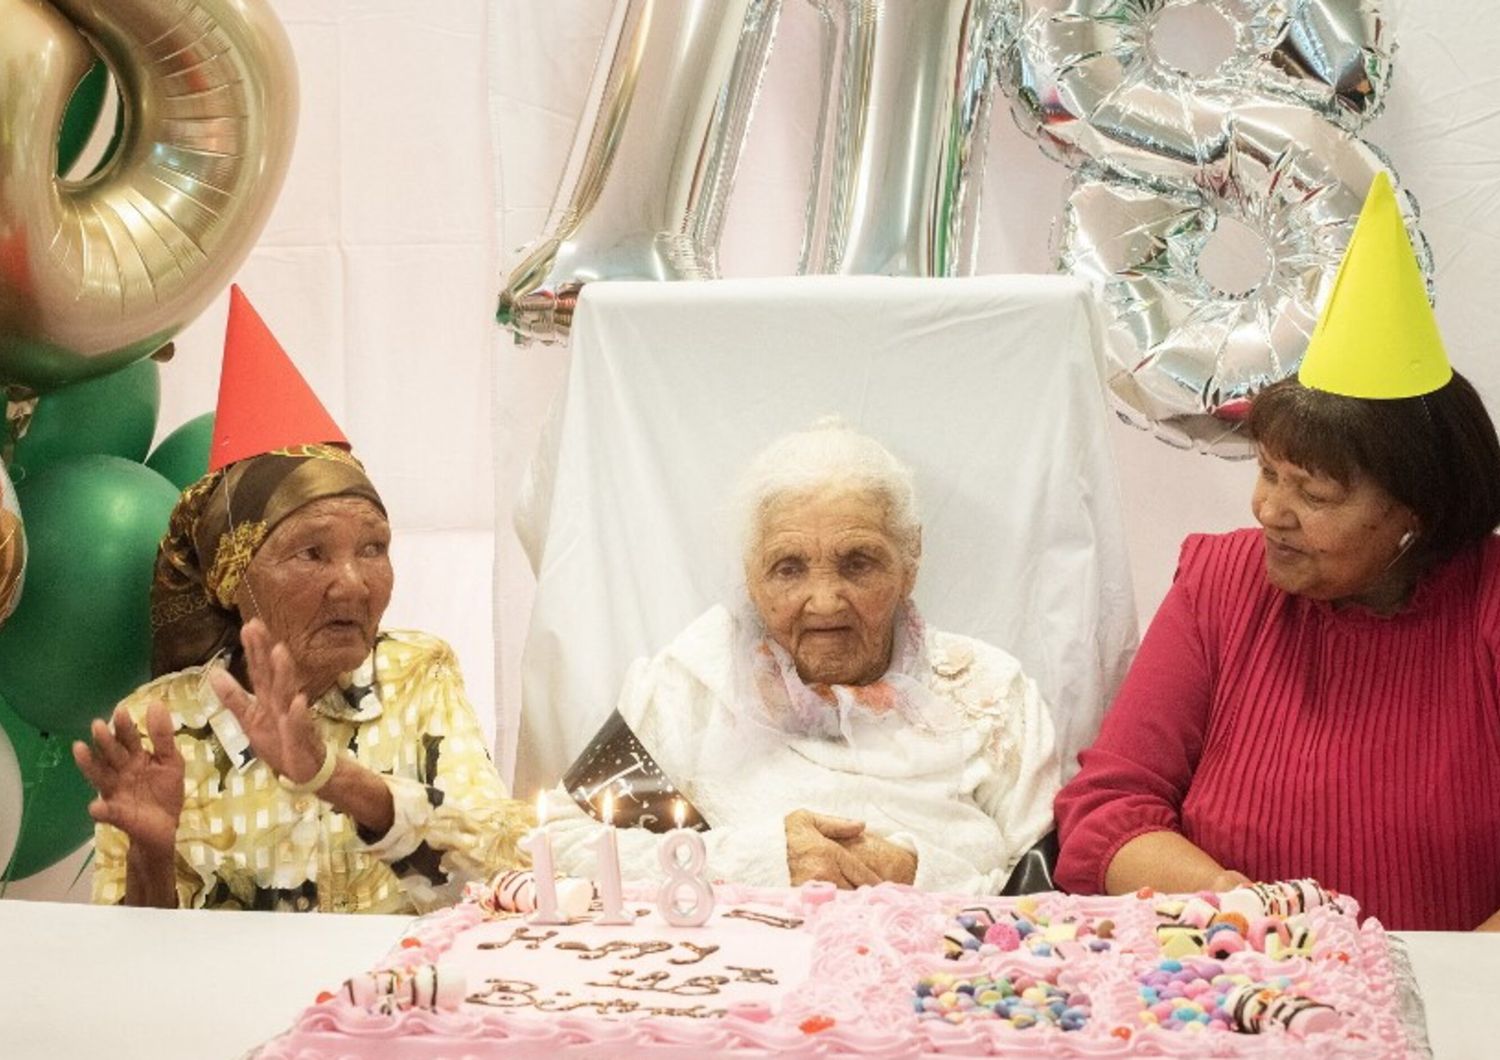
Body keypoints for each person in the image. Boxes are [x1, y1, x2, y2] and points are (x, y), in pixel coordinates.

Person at [1054, 174, 1500, 931]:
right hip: (1243, 983)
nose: (1268, 511)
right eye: (1266, 472)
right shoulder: (1220, 584)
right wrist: (1247, 911)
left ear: (1414, 515)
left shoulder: (1488, 608)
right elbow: (1106, 812)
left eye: (1313, 494)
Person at [72, 287, 530, 912]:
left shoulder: (418, 676)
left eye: (373, 547)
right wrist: (152, 852)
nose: (353, 583)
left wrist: (331, 775)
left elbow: (502, 880)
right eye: (312, 553)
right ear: (234, 580)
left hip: (398, 1004)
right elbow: (136, 972)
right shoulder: (162, 725)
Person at [548, 420, 1060, 894]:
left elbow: (1047, 883)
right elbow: (560, 842)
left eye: (858, 563)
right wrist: (761, 860)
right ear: (751, 573)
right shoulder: (692, 682)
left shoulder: (990, 691)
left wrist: (914, 875)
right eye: (789, 568)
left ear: (912, 559)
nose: (825, 601)